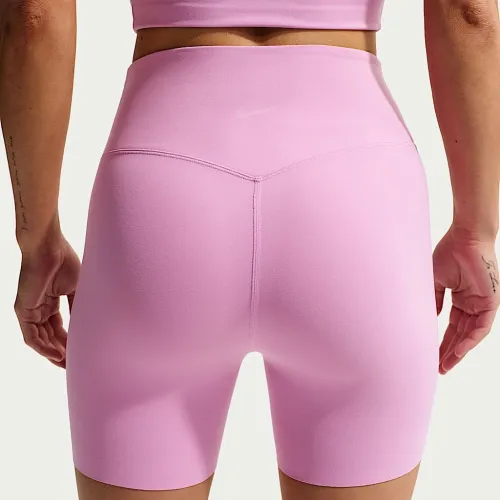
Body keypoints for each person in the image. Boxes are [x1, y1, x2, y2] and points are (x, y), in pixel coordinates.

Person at [1, 0, 499, 499]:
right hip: (356, 194)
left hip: (160, 195)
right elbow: (469, 13)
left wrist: (37, 240)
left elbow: (32, 18)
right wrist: (475, 232)